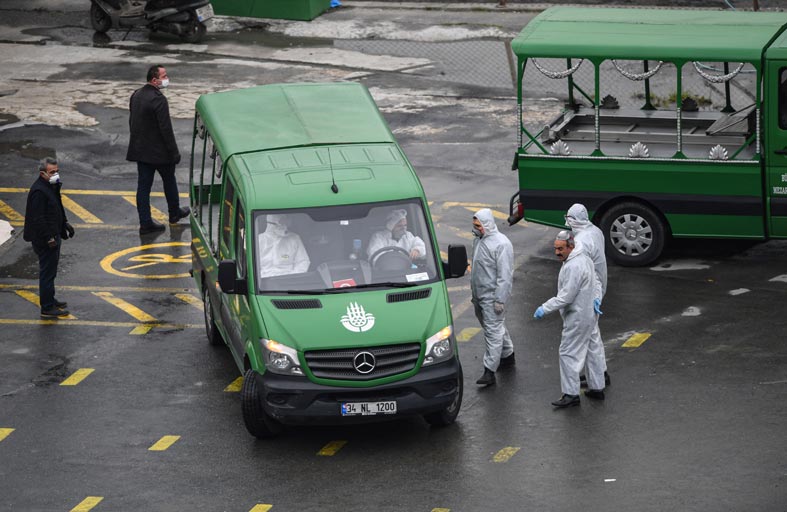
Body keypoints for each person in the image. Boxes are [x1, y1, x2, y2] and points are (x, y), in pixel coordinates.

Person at [534, 230, 605, 408]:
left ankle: (571, 394)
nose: (557, 252)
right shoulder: (584, 258)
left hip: (577, 316)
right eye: (555, 248)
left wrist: (544, 308)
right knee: (592, 351)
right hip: (590, 313)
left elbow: (566, 297)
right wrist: (596, 298)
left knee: (568, 353)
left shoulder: (573, 266)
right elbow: (596, 280)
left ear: (571, 247)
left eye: (561, 249)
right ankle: (597, 387)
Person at [127, 64, 189, 235]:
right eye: (164, 76)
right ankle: (174, 212)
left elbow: (132, 122)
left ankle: (145, 223)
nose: (167, 79)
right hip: (160, 153)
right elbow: (166, 129)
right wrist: (174, 152)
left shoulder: (136, 95)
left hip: (142, 152)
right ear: (154, 80)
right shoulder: (159, 99)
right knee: (169, 181)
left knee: (143, 188)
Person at [564, 203, 611, 387]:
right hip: (598, 286)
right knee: (592, 335)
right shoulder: (595, 231)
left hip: (589, 292)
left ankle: (598, 378)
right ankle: (598, 373)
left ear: (572, 220)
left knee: (590, 337)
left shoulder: (581, 243)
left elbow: (579, 273)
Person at [23, 157, 74, 318]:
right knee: (47, 272)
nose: (55, 175)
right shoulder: (39, 191)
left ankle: (49, 298)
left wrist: (65, 223)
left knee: (51, 271)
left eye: (57, 171)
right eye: (52, 172)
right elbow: (38, 219)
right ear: (42, 173)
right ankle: (47, 307)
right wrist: (49, 238)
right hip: (45, 239)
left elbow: (57, 206)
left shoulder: (51, 186)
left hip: (54, 233)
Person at [470, 208, 514, 387]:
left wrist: (499, 299)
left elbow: (505, 275)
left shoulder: (501, 244)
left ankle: (489, 371)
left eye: (478, 225)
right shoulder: (479, 241)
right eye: (475, 225)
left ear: (487, 224)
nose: (476, 228)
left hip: (491, 297)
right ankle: (508, 354)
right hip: (479, 296)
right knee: (495, 326)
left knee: (492, 332)